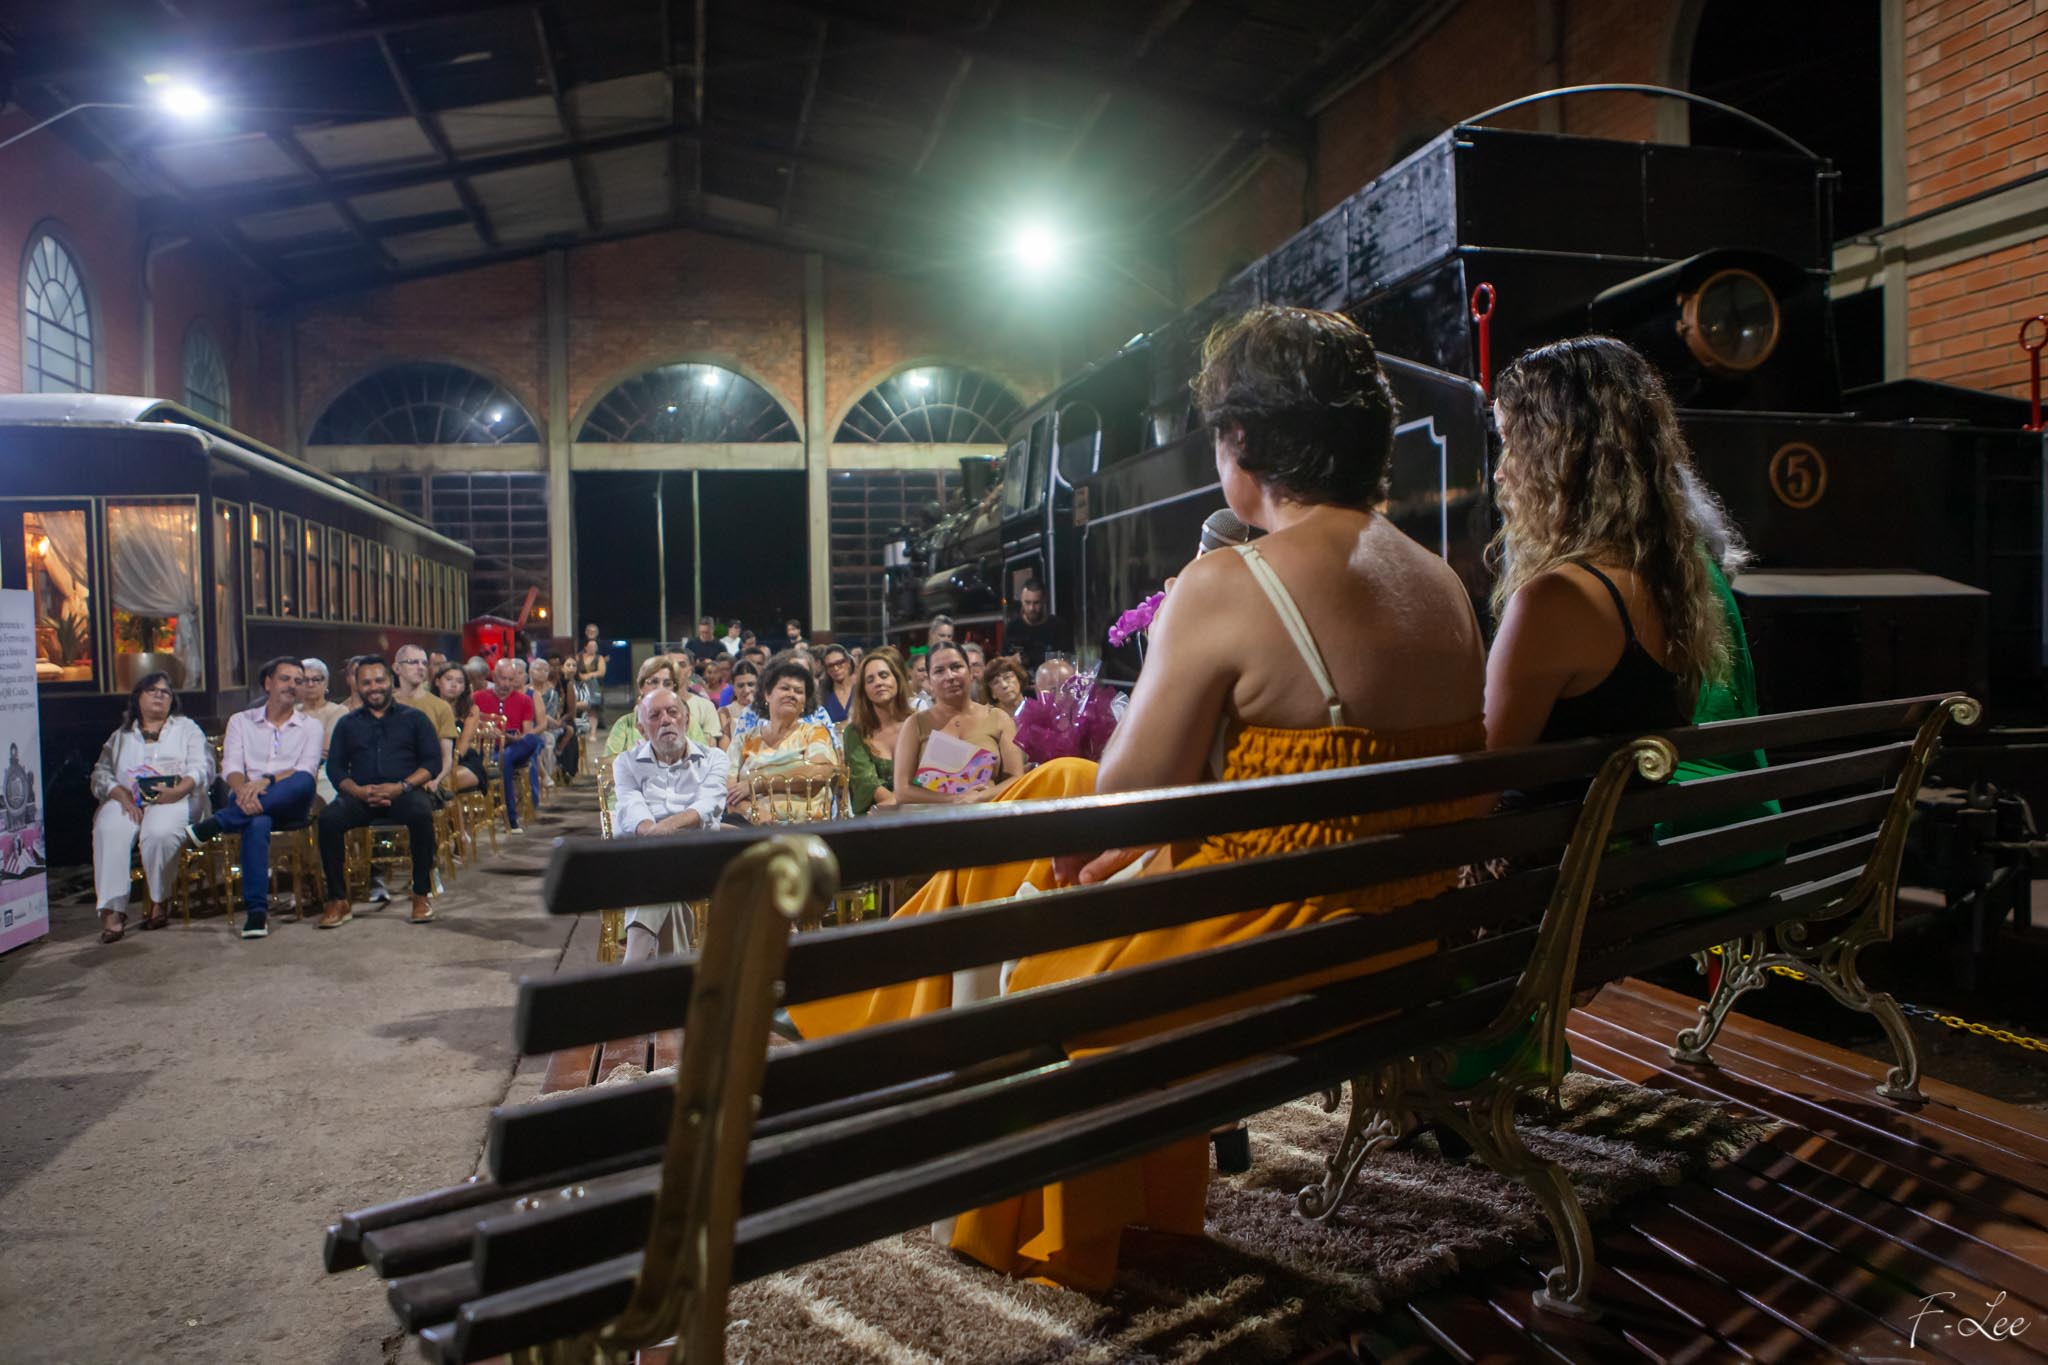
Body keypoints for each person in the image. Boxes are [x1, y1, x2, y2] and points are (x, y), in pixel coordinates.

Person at [789, 305, 1489, 1291]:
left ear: (1241, 440)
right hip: (1394, 925)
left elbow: (1121, 803)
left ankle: (905, 1086)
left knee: (1044, 890)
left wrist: (1173, 648)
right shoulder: (1439, 580)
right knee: (1047, 788)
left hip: (1276, 934)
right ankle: (881, 1039)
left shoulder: (1231, 582)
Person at [1482, 336, 1723, 754]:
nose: (1500, 472)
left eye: (1510, 441)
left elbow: (1479, 776)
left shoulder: (1555, 599)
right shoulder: (1665, 581)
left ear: (1559, 455)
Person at [194, 656, 322, 939]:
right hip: (245, 799)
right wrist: (243, 790)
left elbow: (306, 768)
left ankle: (219, 822)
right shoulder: (241, 721)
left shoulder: (311, 726)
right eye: (285, 679)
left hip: (291, 801)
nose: (292, 685)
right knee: (257, 821)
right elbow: (231, 767)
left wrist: (267, 781)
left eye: (298, 681)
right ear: (268, 683)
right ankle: (256, 912)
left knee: (303, 780)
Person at [319, 657, 441, 928]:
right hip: (361, 795)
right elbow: (335, 768)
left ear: (390, 681)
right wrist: (358, 791)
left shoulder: (415, 719)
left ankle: (421, 895)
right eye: (366, 682)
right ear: (357, 685)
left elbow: (432, 763)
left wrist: (402, 786)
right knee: (328, 819)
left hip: (404, 792)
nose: (374, 687)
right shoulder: (347, 724)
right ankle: (338, 900)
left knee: (422, 814)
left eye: (379, 680)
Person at [89, 673, 211, 940]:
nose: (159, 695)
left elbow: (202, 767)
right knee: (109, 828)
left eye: (165, 692)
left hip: (175, 797)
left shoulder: (186, 728)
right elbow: (101, 774)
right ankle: (113, 909)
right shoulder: (121, 735)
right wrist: (120, 795)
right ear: (138, 697)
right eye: (152, 690)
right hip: (128, 799)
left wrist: (179, 789)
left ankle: (159, 899)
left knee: (158, 833)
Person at [612, 686, 729, 962]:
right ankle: (673, 976)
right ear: (642, 729)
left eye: (672, 712)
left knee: (659, 870)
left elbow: (707, 805)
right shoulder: (626, 763)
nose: (666, 720)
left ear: (686, 719)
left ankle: (631, 968)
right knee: (663, 878)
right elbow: (632, 807)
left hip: (695, 855)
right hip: (645, 855)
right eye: (655, 716)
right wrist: (655, 836)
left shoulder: (714, 759)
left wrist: (662, 831)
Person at [889, 641, 1025, 805]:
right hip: (934, 818)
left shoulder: (998, 718)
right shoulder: (915, 724)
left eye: (956, 667)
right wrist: (954, 799)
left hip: (989, 814)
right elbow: (902, 790)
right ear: (929, 681)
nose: (950, 676)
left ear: (970, 672)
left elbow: (1016, 779)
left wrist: (978, 798)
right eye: (939, 671)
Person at [725, 660, 838, 823]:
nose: (792, 694)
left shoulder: (814, 732)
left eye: (799, 691)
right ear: (767, 694)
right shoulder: (745, 739)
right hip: (751, 827)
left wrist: (759, 783)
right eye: (785, 688)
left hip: (806, 826)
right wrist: (754, 813)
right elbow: (729, 792)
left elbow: (819, 773)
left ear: (804, 702)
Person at [473, 657, 545, 831]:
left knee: (532, 740)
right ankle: (511, 819)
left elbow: (527, 732)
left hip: (515, 746)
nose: (506, 684)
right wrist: (484, 731)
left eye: (510, 680)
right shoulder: (477, 697)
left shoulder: (524, 700)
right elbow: (469, 727)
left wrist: (516, 737)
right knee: (504, 760)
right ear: (494, 677)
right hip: (489, 748)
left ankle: (510, 817)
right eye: (502, 678)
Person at [843, 648, 913, 815]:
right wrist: (902, 808)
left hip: (923, 813)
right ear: (864, 690)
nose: (878, 683)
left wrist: (904, 806)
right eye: (870, 680)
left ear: (897, 679)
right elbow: (867, 783)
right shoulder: (855, 732)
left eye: (884, 675)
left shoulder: (919, 723)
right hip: (875, 819)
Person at [392, 645, 457, 795]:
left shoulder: (441, 707)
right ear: (397, 668)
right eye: (413, 662)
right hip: (393, 778)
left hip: (429, 780)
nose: (421, 667)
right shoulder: (387, 705)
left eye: (424, 663)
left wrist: (436, 780)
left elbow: (446, 758)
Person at [297, 657, 351, 802]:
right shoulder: (291, 712)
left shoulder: (338, 711)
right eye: (304, 680)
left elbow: (324, 751)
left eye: (316, 679)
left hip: (324, 773)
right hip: (289, 771)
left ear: (326, 683)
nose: (310, 684)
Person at [433, 663, 487, 797]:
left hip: (463, 760)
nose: (453, 685)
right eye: (448, 679)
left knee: (442, 782)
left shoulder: (471, 710)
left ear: (464, 687)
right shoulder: (429, 706)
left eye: (459, 681)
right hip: (434, 760)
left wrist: (446, 767)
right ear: (437, 682)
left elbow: (464, 743)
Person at [1004, 577, 1069, 671]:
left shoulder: (1058, 626)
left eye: (1036, 603)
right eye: (1027, 602)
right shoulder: (1012, 628)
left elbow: (1067, 660)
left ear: (1044, 600)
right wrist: (1012, 660)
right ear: (1021, 600)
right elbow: (1003, 662)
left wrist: (1031, 659)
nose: (1032, 608)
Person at [719, 660, 759, 748]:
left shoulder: (769, 709)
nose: (746, 690)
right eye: (741, 686)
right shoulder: (725, 712)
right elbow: (725, 748)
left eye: (751, 684)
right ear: (733, 687)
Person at [818, 643, 858, 725]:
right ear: (826, 669)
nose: (835, 668)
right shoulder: (821, 695)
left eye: (839, 663)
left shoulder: (862, 690)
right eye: (830, 665)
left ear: (848, 662)